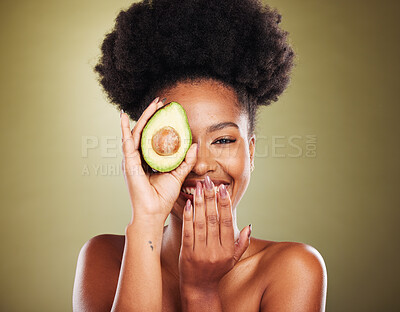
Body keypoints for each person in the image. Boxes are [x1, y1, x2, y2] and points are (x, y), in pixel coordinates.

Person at [73, 0, 327, 311]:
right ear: (145, 152)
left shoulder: (293, 269)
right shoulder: (103, 257)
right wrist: (147, 221)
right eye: (176, 142)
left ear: (251, 151)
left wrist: (201, 291)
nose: (202, 164)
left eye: (222, 139)